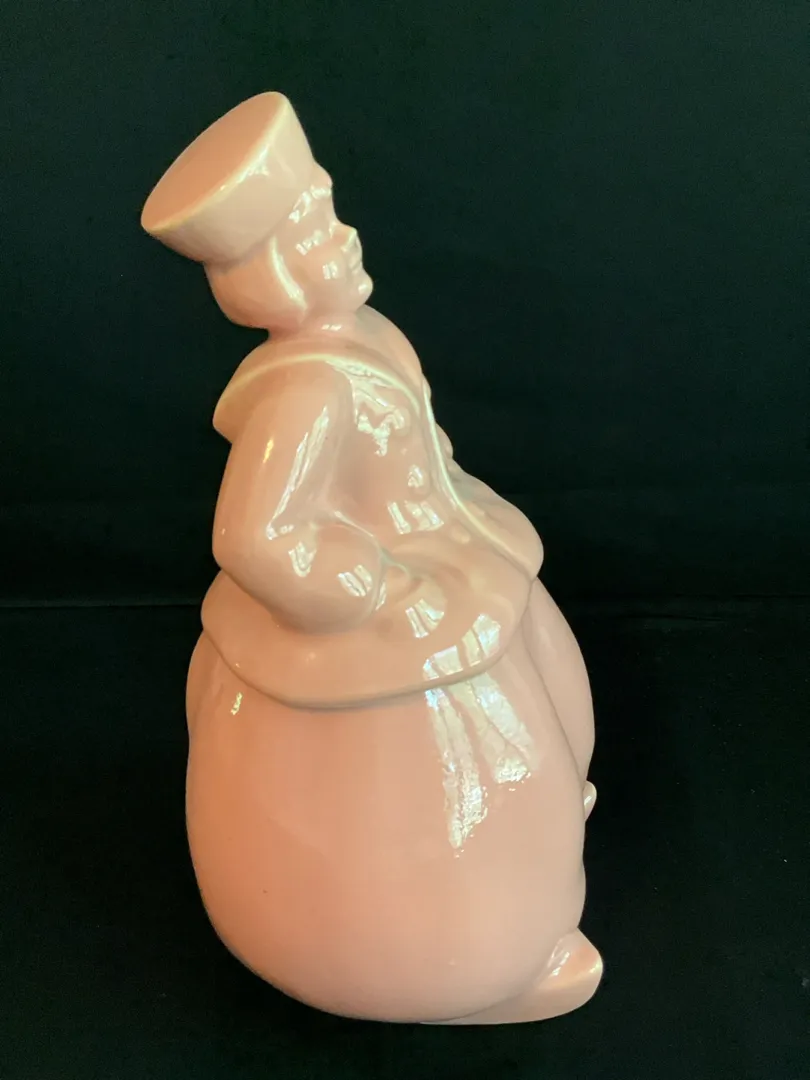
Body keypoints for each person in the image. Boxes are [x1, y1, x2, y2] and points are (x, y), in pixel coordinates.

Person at [142, 91, 601, 1024]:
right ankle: (453, 961)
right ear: (269, 275)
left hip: (447, 555)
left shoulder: (366, 338)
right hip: (387, 609)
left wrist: (446, 494)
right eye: (313, 230)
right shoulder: (306, 390)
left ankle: (543, 835)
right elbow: (253, 535)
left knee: (545, 685)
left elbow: (412, 444)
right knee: (419, 775)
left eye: (329, 210)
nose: (343, 237)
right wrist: (363, 588)